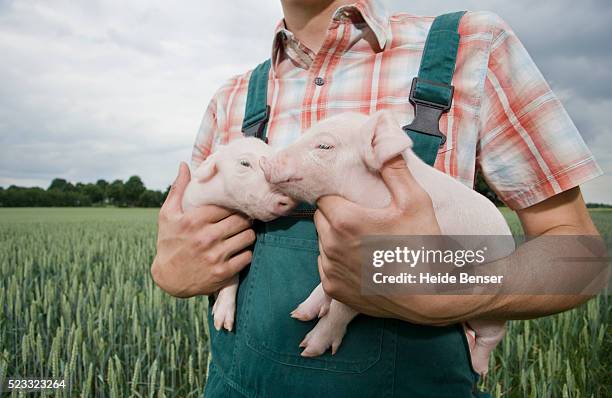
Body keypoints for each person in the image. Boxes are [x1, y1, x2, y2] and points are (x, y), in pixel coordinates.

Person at [151, 1, 604, 396]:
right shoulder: (230, 99)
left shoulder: (473, 45)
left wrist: (455, 289)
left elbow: (582, 260)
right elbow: (185, 236)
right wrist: (169, 272)